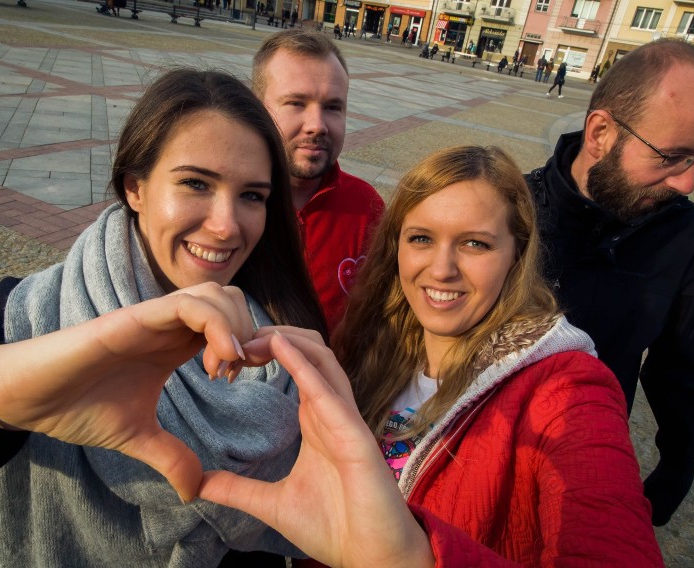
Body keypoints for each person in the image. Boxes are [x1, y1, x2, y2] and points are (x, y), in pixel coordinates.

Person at [0, 68, 327, 566]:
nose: (227, 224)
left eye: (252, 195)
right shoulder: (46, 317)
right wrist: (13, 393)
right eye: (195, 183)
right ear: (135, 189)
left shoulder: (279, 326)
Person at [198, 145, 664, 566]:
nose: (441, 269)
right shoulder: (365, 348)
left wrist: (415, 558)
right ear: (395, 246)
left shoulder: (567, 388)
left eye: (475, 243)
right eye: (421, 238)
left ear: (516, 254)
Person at [525, 38, 694, 526]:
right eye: (672, 156)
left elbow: (683, 365)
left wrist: (678, 466)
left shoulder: (690, 239)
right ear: (600, 133)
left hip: (586, 464)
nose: (687, 183)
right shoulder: (510, 209)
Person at [251, 30, 384, 333]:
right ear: (255, 106)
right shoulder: (225, 203)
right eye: (296, 103)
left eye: (332, 107)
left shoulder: (368, 207)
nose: (317, 125)